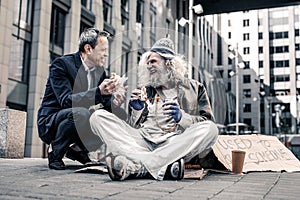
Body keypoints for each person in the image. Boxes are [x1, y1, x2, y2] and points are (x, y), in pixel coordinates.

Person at [89, 37, 219, 181]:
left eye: (153, 61)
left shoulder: (195, 88)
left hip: (174, 142)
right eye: (147, 62)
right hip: (142, 141)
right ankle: (160, 164)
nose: (149, 66)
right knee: (98, 117)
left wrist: (182, 117)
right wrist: (137, 110)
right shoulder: (145, 90)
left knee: (211, 129)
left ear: (168, 63)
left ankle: (137, 167)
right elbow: (133, 128)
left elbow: (206, 120)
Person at [37, 28, 125, 170]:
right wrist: (98, 92)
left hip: (78, 119)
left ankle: (78, 150)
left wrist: (115, 102)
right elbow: (65, 100)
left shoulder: (100, 72)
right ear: (88, 49)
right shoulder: (61, 65)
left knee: (115, 116)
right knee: (81, 113)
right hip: (52, 121)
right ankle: (55, 152)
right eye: (103, 50)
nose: (106, 54)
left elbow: (106, 105)